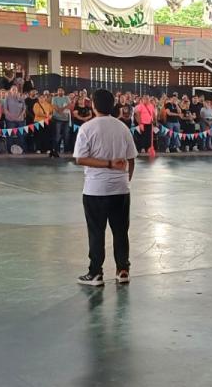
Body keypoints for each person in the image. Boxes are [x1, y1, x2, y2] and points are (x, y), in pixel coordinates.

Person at [73, 89, 138, 287]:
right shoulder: (122, 128)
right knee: (120, 231)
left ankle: (95, 273)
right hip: (120, 189)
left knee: (96, 231)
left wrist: (108, 164)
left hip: (95, 190)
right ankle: (122, 270)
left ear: (93, 105)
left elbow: (80, 159)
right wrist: (125, 180)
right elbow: (131, 159)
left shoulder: (87, 128)